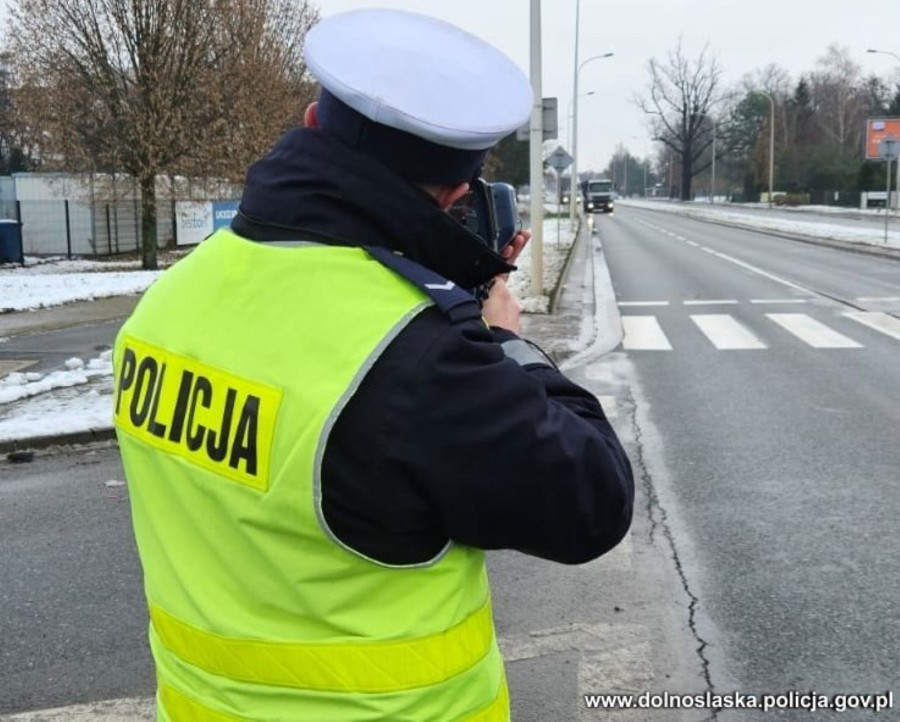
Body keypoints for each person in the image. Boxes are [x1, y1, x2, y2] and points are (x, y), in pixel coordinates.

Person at [113, 8, 633, 721]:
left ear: (309, 120)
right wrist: (507, 341)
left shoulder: (168, 302)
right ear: (456, 194)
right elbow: (593, 501)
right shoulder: (418, 358)